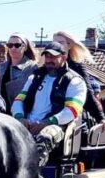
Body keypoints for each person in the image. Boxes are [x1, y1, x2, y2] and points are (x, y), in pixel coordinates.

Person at [11, 41, 87, 169]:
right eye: (47, 56)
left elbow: (72, 111)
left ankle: (33, 175)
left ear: (64, 57)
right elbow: (18, 101)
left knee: (44, 137)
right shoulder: (34, 77)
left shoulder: (74, 81)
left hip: (57, 125)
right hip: (27, 123)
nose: (49, 60)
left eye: (53, 56)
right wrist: (20, 118)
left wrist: (46, 122)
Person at [52, 30, 105, 129]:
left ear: (69, 45)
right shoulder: (47, 66)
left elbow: (88, 92)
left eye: (60, 43)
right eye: (54, 43)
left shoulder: (76, 65)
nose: (57, 46)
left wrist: (101, 117)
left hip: (70, 114)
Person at [0, 33, 38, 111]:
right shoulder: (1, 67)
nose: (13, 48)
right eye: (10, 45)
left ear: (24, 47)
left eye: (17, 45)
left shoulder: (32, 67)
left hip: (23, 112)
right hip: (2, 111)